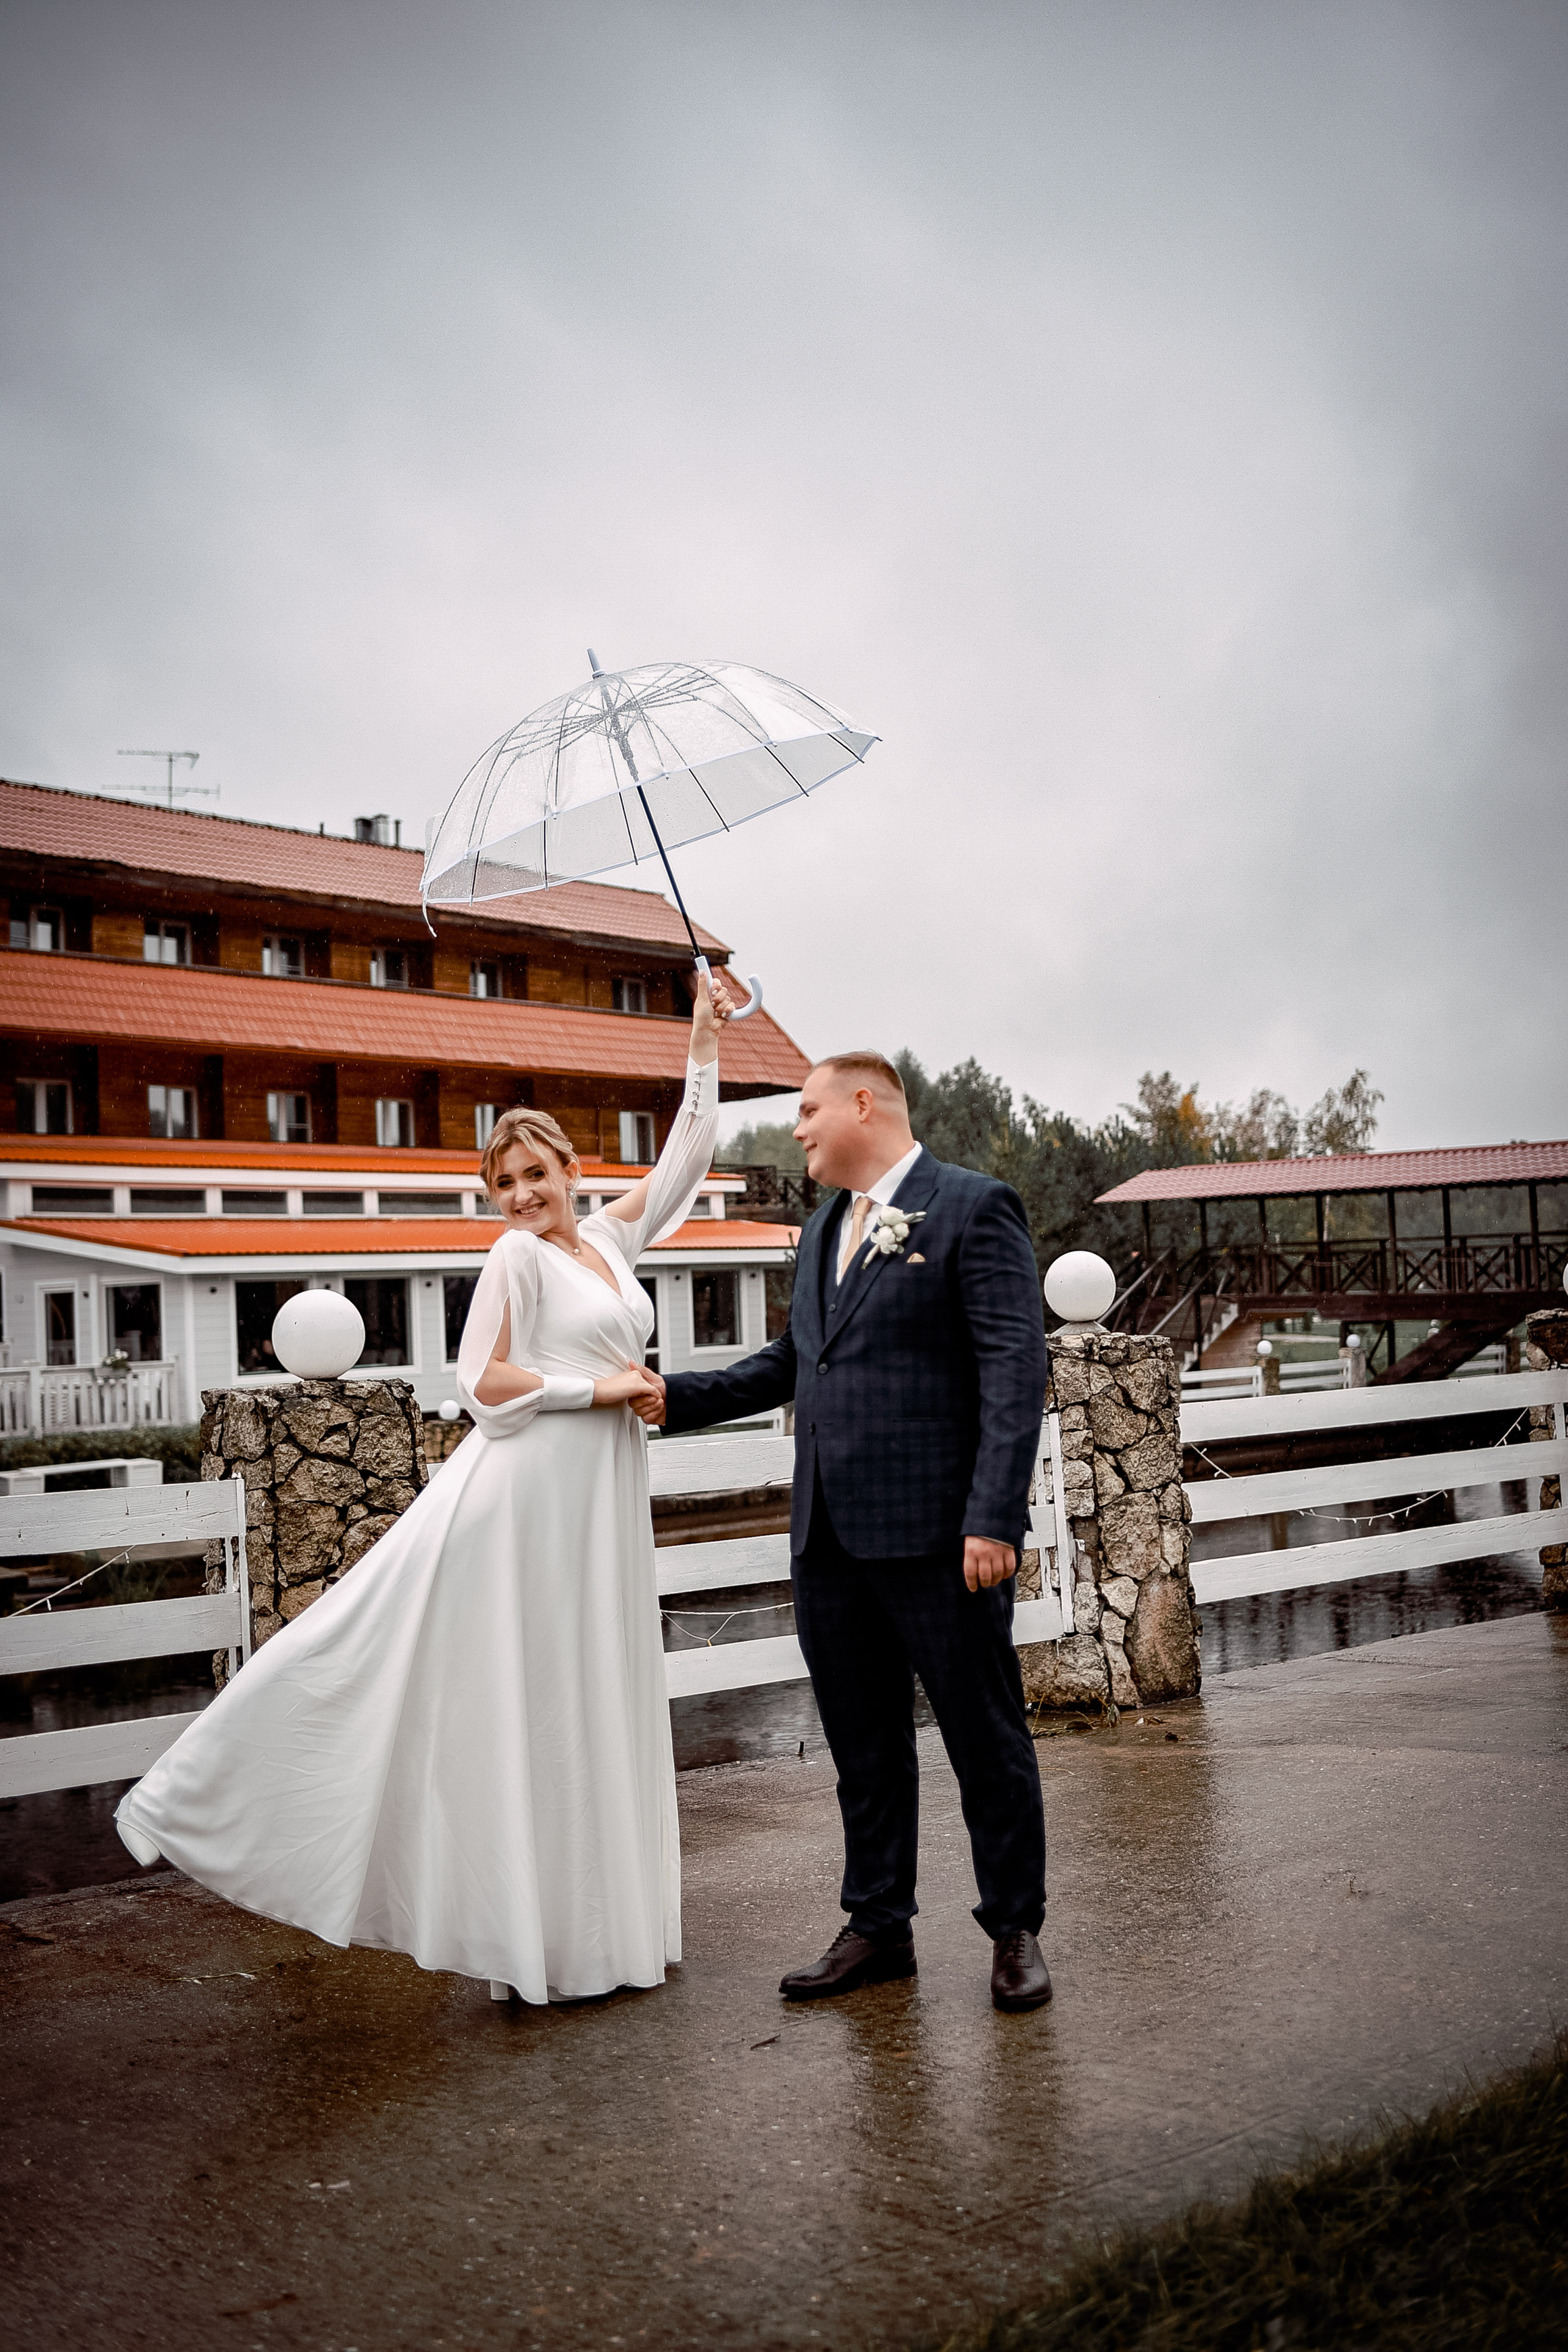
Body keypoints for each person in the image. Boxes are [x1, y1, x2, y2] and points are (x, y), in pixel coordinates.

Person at [115, 977, 733, 2006]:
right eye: (506, 1183)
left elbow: (687, 1159)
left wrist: (703, 1041)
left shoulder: (609, 1245)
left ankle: (595, 1932)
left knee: (591, 1692)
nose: (525, 1195)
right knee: (479, 1682)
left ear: (574, 1170)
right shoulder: (514, 1256)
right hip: (528, 1498)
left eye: (538, 1174)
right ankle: (212, 1797)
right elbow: (479, 1383)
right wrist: (605, 1385)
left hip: (596, 1502)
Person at [632, 1050, 1052, 2012]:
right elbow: (797, 1356)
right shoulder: (823, 1228)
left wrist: (993, 1516)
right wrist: (677, 1397)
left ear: (866, 1103)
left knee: (984, 1738)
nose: (799, 1128)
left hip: (942, 1539)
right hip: (828, 1541)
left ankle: (1015, 1929)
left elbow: (1012, 1373)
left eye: (809, 1110)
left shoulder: (975, 1208)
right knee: (862, 1744)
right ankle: (878, 1928)